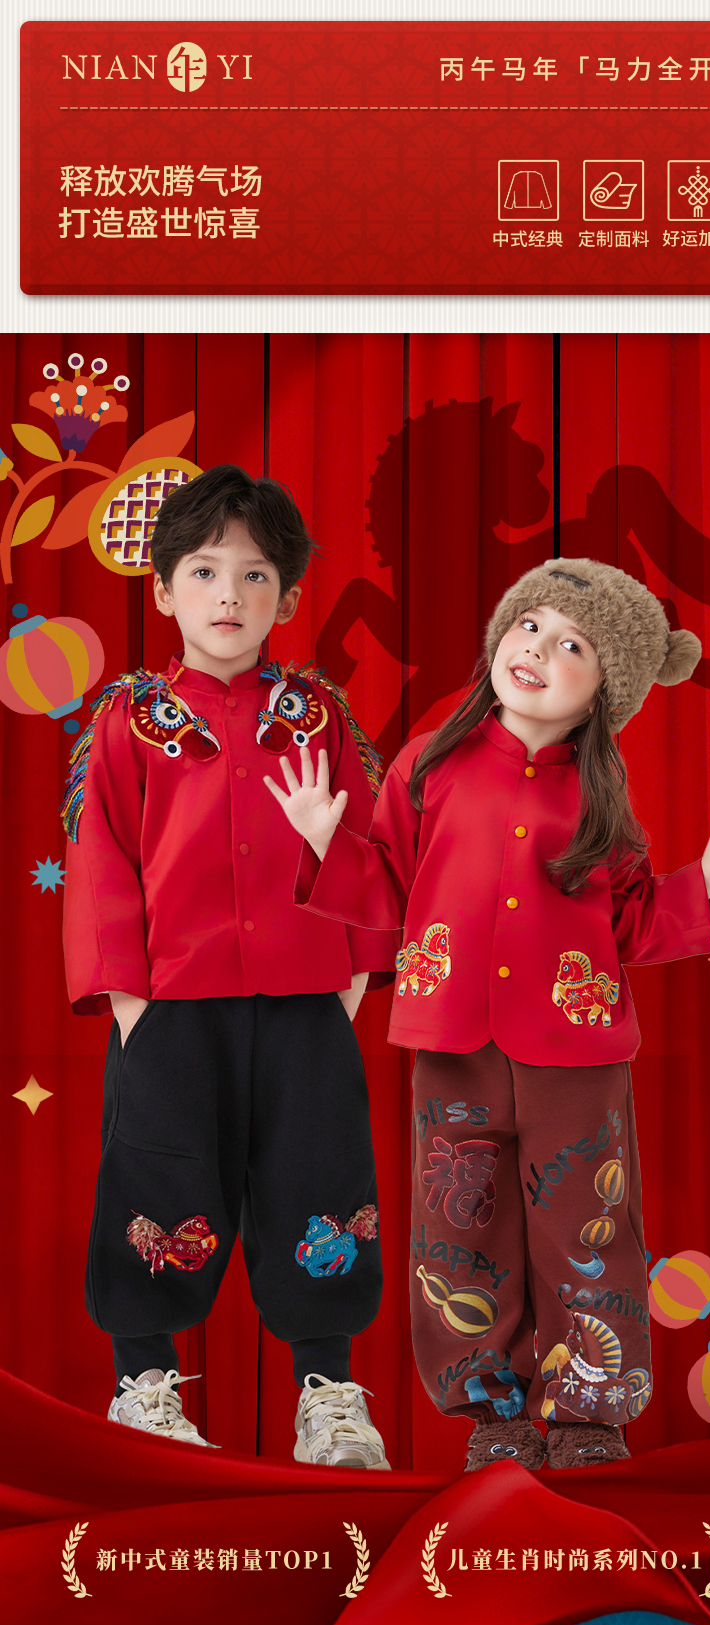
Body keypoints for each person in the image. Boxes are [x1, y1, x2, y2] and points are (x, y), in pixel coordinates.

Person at [264, 556, 710, 1472]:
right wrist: (328, 839)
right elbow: (392, 886)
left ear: (606, 689)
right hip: (454, 1041)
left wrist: (708, 875)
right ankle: (492, 1410)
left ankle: (590, 1413)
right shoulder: (430, 760)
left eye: (572, 645)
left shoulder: (601, 793)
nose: (537, 649)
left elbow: (633, 923)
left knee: (587, 1226)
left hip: (577, 1054)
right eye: (530, 625)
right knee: (459, 1231)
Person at [60, 464, 398, 1468]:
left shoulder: (318, 714)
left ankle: (328, 1396)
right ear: (163, 588)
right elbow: (102, 860)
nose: (228, 595)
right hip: (169, 1006)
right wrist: (132, 1006)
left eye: (255, 575)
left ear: (285, 599)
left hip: (305, 1004)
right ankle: (143, 1384)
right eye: (204, 571)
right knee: (157, 1177)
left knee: (320, 1179)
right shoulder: (128, 718)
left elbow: (364, 844)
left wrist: (351, 979)